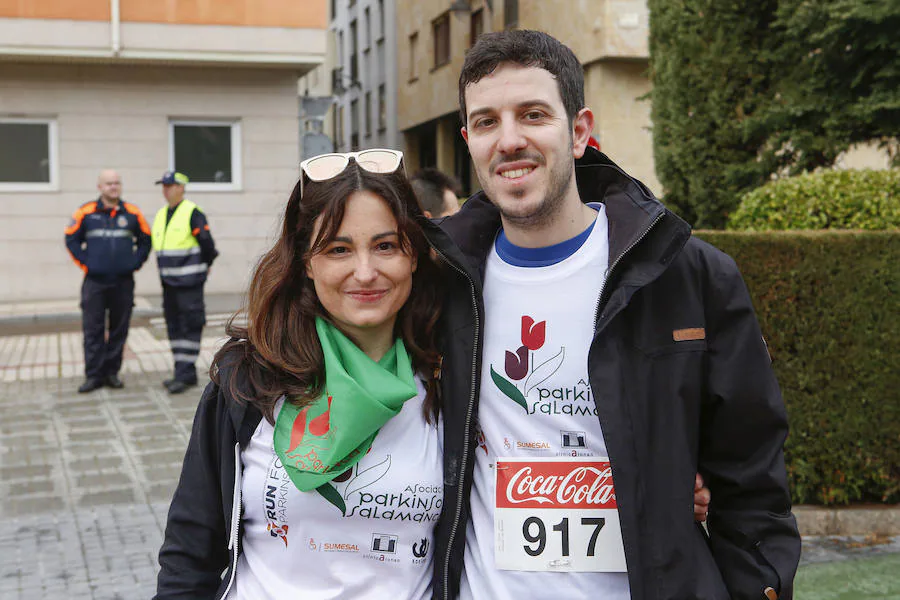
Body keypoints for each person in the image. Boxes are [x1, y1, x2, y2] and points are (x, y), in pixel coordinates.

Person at [429, 30, 801, 600]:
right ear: (469, 142)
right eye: (486, 122)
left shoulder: (688, 274)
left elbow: (751, 482)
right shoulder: (441, 284)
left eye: (532, 115)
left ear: (579, 131)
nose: (509, 141)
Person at [154, 150, 447, 599]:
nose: (365, 272)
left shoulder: (452, 379)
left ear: (414, 254)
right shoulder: (248, 377)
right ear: (306, 262)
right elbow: (189, 553)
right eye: (338, 249)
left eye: (385, 245)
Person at [65, 169, 151, 393]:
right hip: (94, 282)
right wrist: (87, 264)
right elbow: (71, 238)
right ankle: (93, 376)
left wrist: (134, 263)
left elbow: (146, 241)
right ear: (100, 187)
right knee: (92, 330)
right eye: (109, 183)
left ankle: (112, 373)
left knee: (118, 330)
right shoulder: (86, 212)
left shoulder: (132, 213)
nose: (114, 187)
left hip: (123, 282)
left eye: (117, 183)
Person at [152, 171, 218, 394]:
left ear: (181, 188)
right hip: (169, 284)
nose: (166, 190)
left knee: (189, 326)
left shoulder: (193, 213)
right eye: (163, 186)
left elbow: (208, 246)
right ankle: (181, 371)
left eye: (170, 186)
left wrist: (203, 267)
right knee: (174, 326)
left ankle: (186, 372)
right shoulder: (162, 214)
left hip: (189, 284)